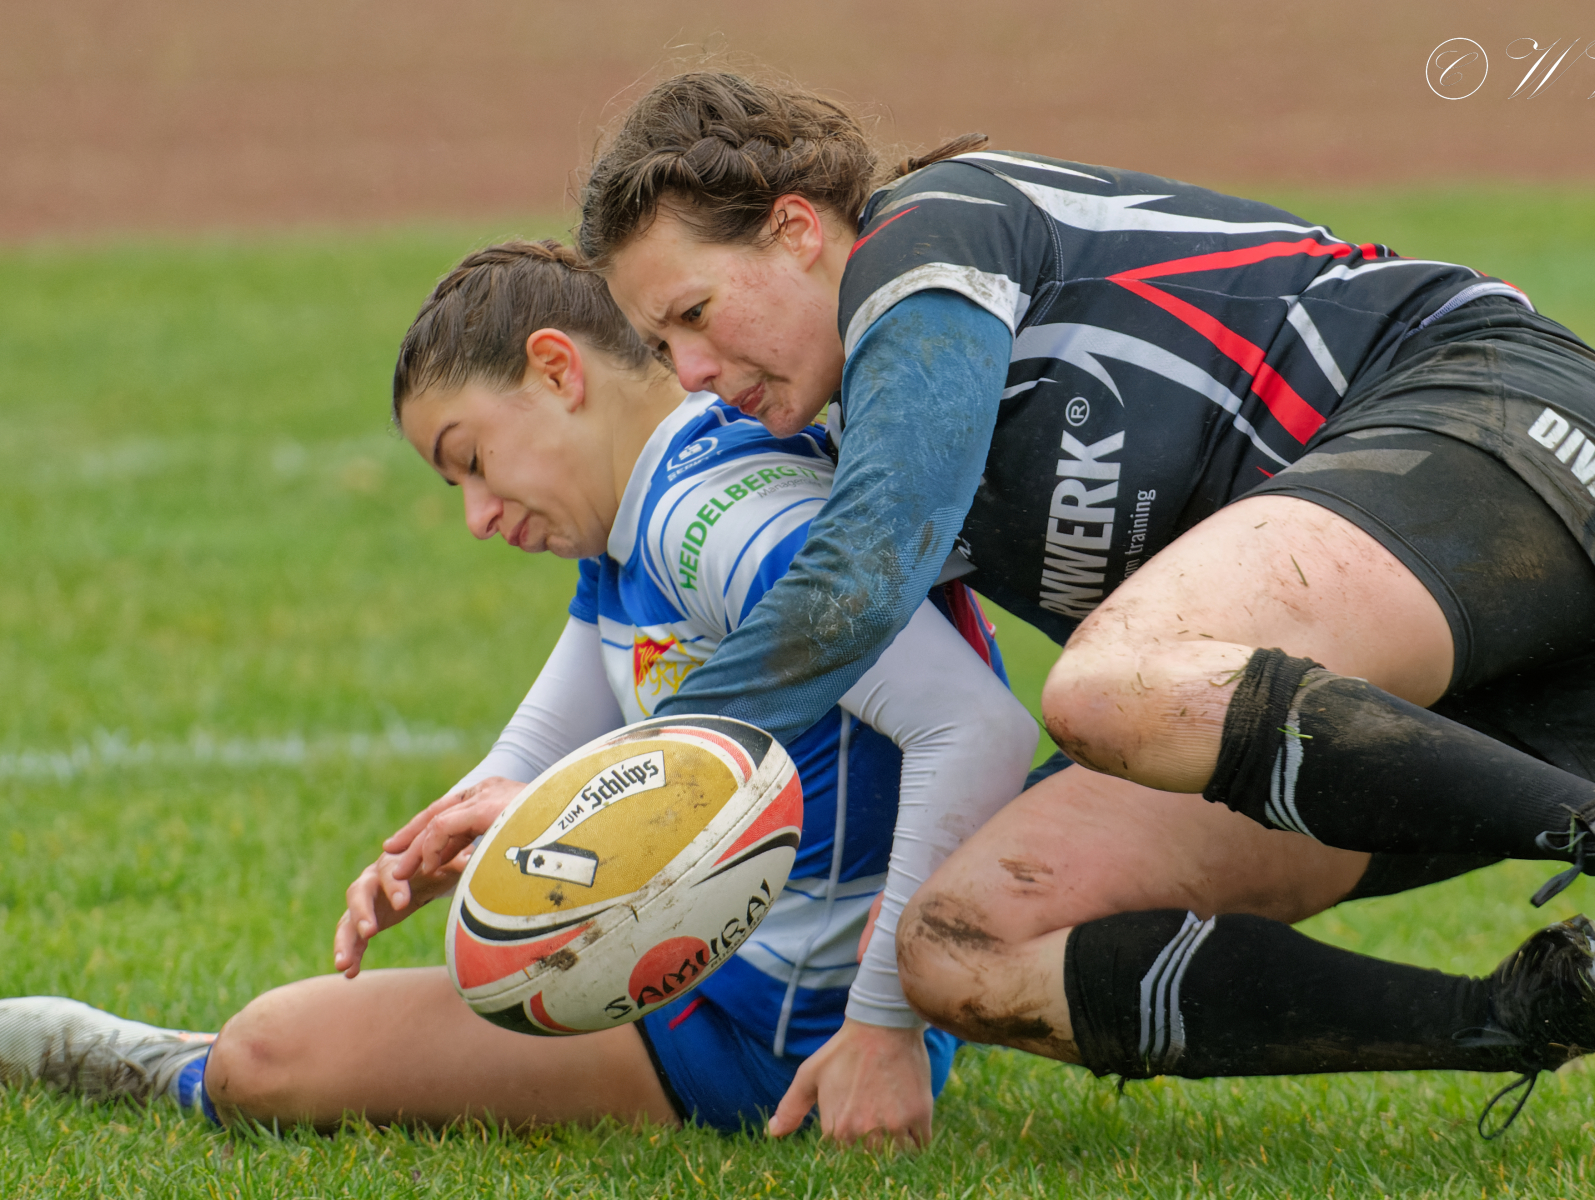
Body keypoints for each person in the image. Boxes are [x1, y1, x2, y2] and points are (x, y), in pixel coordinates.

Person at [576, 72, 1595, 1107]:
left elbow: (871, 558)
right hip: (1510, 719)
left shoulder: (932, 233)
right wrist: (538, 793)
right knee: (959, 945)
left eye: (695, 314)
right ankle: (1511, 1017)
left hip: (1525, 450)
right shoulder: (846, 430)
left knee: (1111, 684)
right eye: (664, 348)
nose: (692, 370)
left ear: (796, 230)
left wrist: (654, 787)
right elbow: (726, 604)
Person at [0, 240, 1031, 1146]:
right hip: (721, 982)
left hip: (776, 1038)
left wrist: (884, 1028)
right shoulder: (644, 513)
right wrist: (463, 822)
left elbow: (977, 725)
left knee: (264, 1057)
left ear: (556, 369)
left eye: (475, 460)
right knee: (320, 1029)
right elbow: (555, 724)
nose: (479, 517)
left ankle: (166, 1066)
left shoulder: (709, 519)